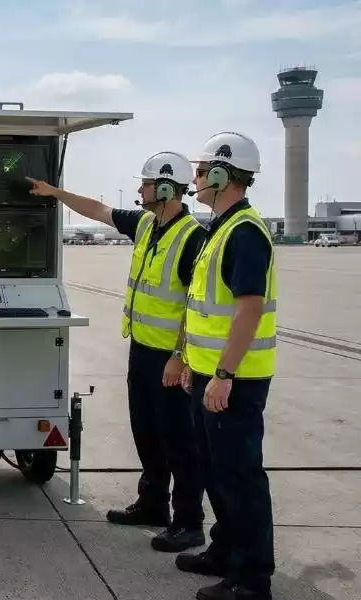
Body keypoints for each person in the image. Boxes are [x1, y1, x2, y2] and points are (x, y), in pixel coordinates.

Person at [26, 152, 209, 553]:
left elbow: (196, 303)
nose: (140, 190)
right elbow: (98, 209)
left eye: (145, 184)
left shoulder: (192, 237)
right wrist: (55, 192)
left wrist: (181, 356)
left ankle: (189, 521)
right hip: (142, 349)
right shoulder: (147, 224)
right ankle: (153, 503)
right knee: (145, 432)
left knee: (179, 440)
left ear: (164, 189)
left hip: (171, 359)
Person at [176, 132, 276, 600]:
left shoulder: (244, 233)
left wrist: (223, 375)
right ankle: (224, 552)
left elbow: (249, 309)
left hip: (235, 381)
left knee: (240, 477)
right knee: (216, 472)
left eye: (199, 172)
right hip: (209, 375)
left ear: (220, 175)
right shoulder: (219, 228)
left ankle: (252, 579)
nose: (193, 180)